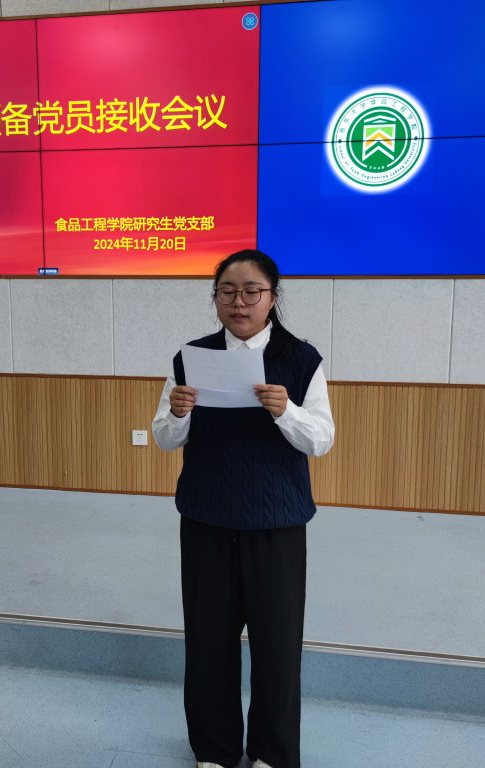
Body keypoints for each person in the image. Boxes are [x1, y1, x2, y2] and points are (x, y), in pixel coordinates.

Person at [152, 249, 335, 768]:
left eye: (251, 292)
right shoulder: (192, 357)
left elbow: (322, 439)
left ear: (272, 298)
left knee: (277, 646)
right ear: (215, 299)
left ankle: (271, 754)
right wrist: (178, 413)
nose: (239, 302)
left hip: (276, 522)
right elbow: (164, 437)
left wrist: (286, 410)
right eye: (227, 292)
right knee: (208, 641)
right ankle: (215, 750)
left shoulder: (301, 359)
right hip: (206, 518)